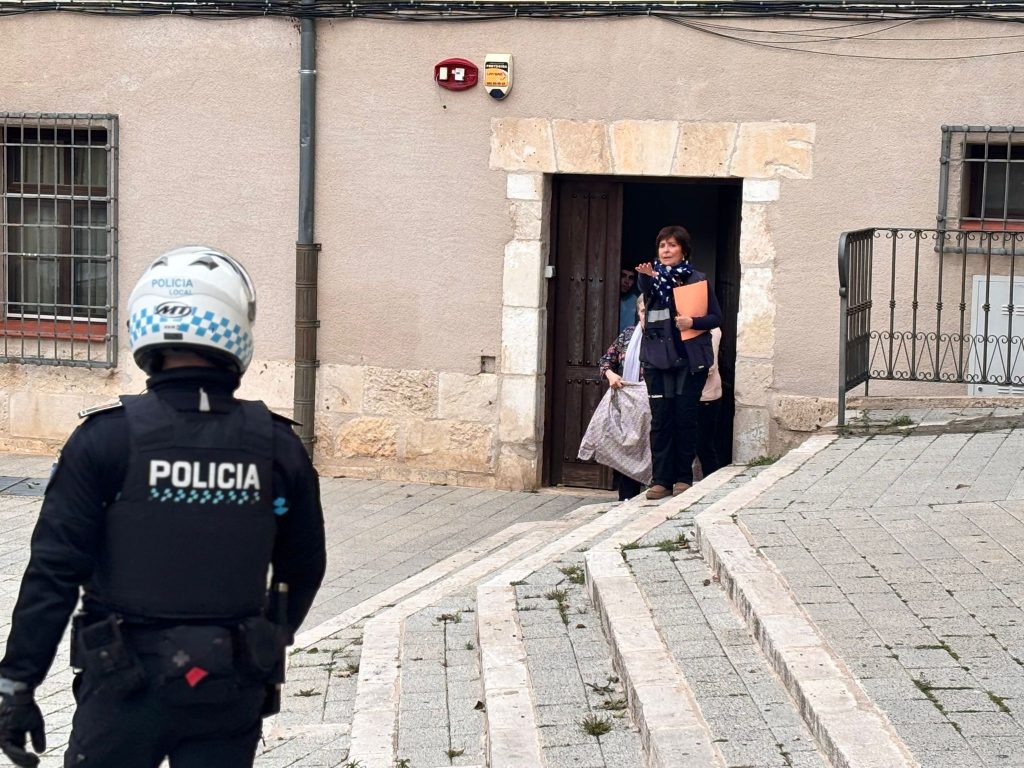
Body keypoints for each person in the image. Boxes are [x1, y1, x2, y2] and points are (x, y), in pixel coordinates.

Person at [0, 246, 327, 768]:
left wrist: (18, 684)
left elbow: (54, 572)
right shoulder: (277, 447)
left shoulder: (104, 440)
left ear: (144, 323)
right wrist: (265, 639)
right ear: (235, 327)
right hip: (228, 685)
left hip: (121, 685)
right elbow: (303, 566)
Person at [635, 226, 722, 501]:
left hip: (689, 361)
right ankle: (661, 480)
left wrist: (692, 322)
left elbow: (716, 317)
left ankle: (683, 478)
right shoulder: (651, 280)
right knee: (661, 421)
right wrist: (646, 277)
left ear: (683, 250)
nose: (666, 250)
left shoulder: (698, 280)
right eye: (662, 245)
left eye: (672, 245)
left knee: (685, 419)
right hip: (657, 361)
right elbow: (645, 290)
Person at [599, 296, 647, 500]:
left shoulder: (665, 336)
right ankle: (626, 499)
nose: (647, 316)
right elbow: (605, 361)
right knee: (630, 451)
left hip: (654, 404)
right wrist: (611, 375)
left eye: (651, 311)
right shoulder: (627, 334)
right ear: (638, 312)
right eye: (643, 311)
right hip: (629, 404)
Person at [695, 327, 723, 480]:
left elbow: (709, 365)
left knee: (704, 444)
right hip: (693, 394)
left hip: (707, 395)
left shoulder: (713, 330)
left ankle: (711, 481)